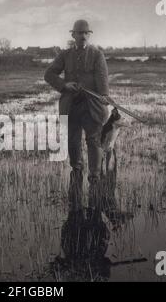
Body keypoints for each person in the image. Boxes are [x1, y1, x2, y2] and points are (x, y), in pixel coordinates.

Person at [44, 19, 111, 210]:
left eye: (85, 33)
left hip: (93, 106)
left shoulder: (97, 54)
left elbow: (102, 77)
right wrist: (64, 85)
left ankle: (95, 177)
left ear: (89, 35)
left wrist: (104, 95)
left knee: (93, 140)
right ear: (72, 35)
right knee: (73, 142)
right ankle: (77, 169)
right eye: (78, 33)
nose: (82, 36)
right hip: (71, 105)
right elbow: (49, 74)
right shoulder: (64, 55)